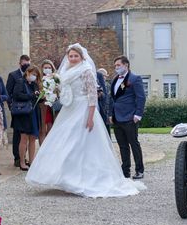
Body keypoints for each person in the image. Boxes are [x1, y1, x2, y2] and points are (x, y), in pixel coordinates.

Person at [26, 44, 146, 197]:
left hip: (84, 109)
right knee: (65, 142)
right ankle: (66, 177)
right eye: (71, 56)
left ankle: (84, 178)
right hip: (69, 109)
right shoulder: (64, 71)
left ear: (82, 57)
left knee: (81, 144)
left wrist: (90, 117)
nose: (73, 58)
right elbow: (63, 89)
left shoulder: (86, 70)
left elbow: (92, 95)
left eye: (76, 56)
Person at [110, 55, 146, 179]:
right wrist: (111, 114)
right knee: (122, 146)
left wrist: (138, 115)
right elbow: (113, 99)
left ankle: (139, 170)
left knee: (134, 144)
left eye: (118, 65)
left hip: (130, 117)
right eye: (115, 66)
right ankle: (125, 171)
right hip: (117, 118)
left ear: (126, 65)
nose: (116, 68)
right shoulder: (115, 80)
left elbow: (141, 97)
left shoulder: (134, 78)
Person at [11, 65, 41, 171]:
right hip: (23, 114)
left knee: (33, 138)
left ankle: (32, 161)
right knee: (23, 138)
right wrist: (32, 95)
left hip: (33, 113)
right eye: (33, 74)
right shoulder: (20, 82)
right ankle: (22, 162)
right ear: (27, 73)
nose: (34, 77)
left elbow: (36, 97)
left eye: (36, 75)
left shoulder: (34, 84)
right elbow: (17, 95)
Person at [6, 54, 31, 168]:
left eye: (28, 63)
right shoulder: (13, 75)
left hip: (27, 109)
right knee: (17, 133)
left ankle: (23, 157)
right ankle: (17, 157)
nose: (26, 65)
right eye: (24, 63)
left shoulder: (30, 75)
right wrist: (11, 106)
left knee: (25, 134)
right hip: (17, 109)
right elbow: (8, 92)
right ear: (20, 63)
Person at [39, 59, 57, 144]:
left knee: (51, 128)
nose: (47, 69)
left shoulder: (55, 79)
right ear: (42, 68)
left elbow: (59, 91)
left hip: (52, 107)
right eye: (45, 67)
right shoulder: (39, 80)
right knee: (42, 130)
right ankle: (42, 149)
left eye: (49, 67)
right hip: (42, 107)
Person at [96, 68, 111, 136]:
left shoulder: (108, 85)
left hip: (107, 112)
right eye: (103, 76)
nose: (104, 77)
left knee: (107, 132)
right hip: (99, 110)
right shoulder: (96, 85)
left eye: (105, 76)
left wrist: (110, 114)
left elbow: (111, 100)